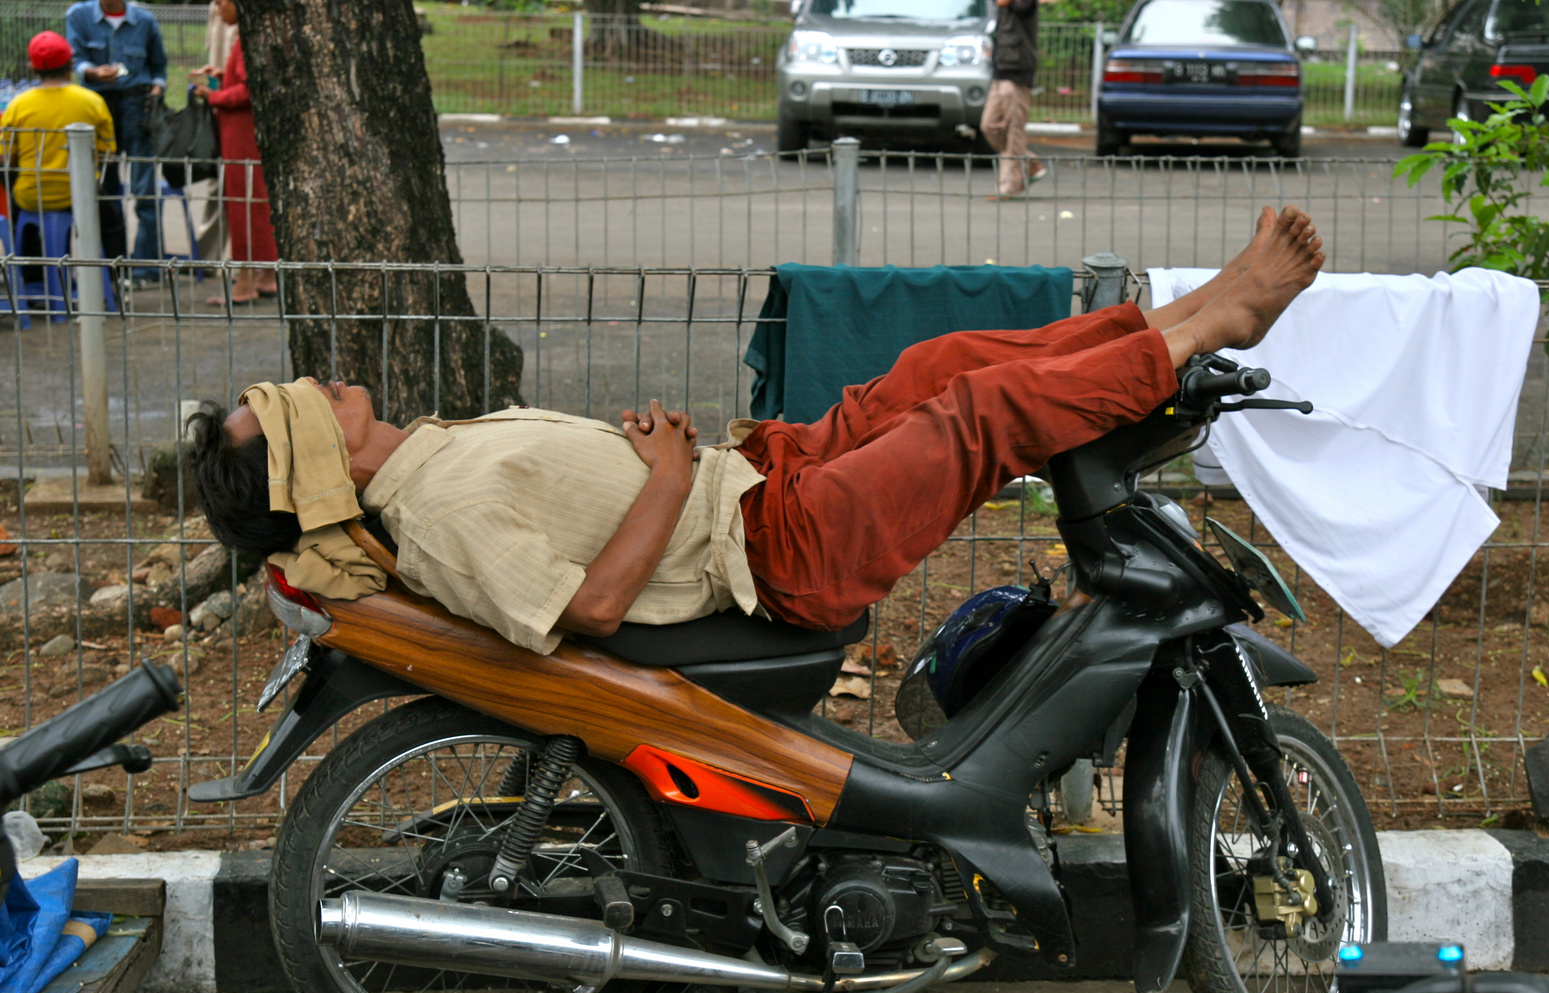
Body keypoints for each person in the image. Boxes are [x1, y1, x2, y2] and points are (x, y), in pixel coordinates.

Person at [188, 207, 1325, 656]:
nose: (312, 380)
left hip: (758, 480)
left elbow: (580, 503)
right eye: (291, 406)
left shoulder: (427, 454)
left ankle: (1177, 320)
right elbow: (578, 613)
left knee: (941, 365)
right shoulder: (431, 511)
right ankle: (1215, 316)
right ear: (316, 460)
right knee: (981, 414)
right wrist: (663, 474)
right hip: (777, 552)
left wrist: (652, 451)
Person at [65, 0, 167, 286]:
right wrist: (93, 72)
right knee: (105, 190)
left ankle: (145, 268)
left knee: (145, 190)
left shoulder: (144, 21)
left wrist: (157, 89)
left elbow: (159, 68)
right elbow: (77, 59)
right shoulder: (79, 15)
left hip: (138, 105)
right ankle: (111, 268)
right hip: (98, 106)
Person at [191, 0, 276, 305]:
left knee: (243, 207)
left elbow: (248, 90)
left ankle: (245, 283)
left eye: (223, 2)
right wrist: (222, 76)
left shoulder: (248, 40)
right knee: (258, 204)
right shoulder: (256, 36)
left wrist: (212, 95)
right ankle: (268, 276)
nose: (217, 9)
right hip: (245, 136)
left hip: (241, 138)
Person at [0, 32, 116, 216]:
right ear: (71, 65)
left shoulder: (17, 105)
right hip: (81, 195)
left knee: (17, 215)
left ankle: (25, 241)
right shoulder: (92, 101)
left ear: (32, 69)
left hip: (30, 197)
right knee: (114, 226)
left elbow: (5, 159)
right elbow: (108, 154)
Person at [979, 0, 1044, 199]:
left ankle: (1009, 186)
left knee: (1014, 129)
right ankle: (1029, 161)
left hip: (1018, 71)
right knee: (989, 126)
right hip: (1001, 69)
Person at [189, 0, 236, 265]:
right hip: (221, 102)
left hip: (233, 105)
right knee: (220, 181)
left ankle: (252, 270)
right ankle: (207, 258)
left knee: (235, 183)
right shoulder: (217, 8)